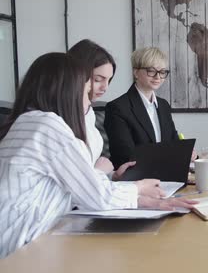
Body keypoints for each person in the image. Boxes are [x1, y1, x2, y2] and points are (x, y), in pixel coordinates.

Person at [0, 53, 196, 258]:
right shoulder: (47, 127)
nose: (90, 101)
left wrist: (120, 185)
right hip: (21, 250)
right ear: (66, 93)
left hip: (29, 241)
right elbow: (97, 196)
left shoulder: (26, 122)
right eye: (86, 93)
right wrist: (139, 188)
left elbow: (78, 187)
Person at [104, 47, 184, 169]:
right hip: (135, 180)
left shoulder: (163, 106)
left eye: (162, 72)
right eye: (151, 71)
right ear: (136, 72)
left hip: (166, 175)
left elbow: (172, 143)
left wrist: (186, 153)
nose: (158, 77)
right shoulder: (118, 108)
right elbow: (125, 156)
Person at [68, 39, 135, 180]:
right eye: (98, 79)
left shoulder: (89, 112)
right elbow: (76, 181)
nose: (105, 88)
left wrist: (113, 176)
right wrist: (99, 173)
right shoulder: (57, 120)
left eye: (108, 80)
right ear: (78, 75)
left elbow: (91, 170)